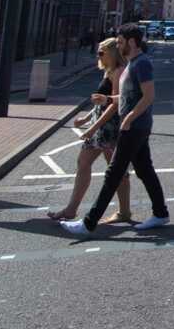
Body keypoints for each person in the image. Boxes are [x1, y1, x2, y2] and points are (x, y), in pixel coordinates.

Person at [62, 23, 170, 236]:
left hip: (135, 126)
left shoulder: (142, 64)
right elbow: (131, 96)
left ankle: (88, 223)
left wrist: (129, 117)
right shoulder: (132, 64)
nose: (118, 46)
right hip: (135, 125)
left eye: (120, 42)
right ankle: (161, 213)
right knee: (144, 170)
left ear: (131, 42)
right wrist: (109, 98)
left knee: (113, 173)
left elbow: (149, 96)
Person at [47, 38, 133, 224]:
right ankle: (71, 209)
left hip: (110, 127)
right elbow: (102, 102)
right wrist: (86, 118)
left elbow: (114, 103)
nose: (98, 55)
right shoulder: (108, 71)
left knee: (117, 170)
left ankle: (124, 211)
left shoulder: (118, 72)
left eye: (102, 52)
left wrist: (92, 127)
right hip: (100, 125)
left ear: (112, 53)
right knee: (83, 163)